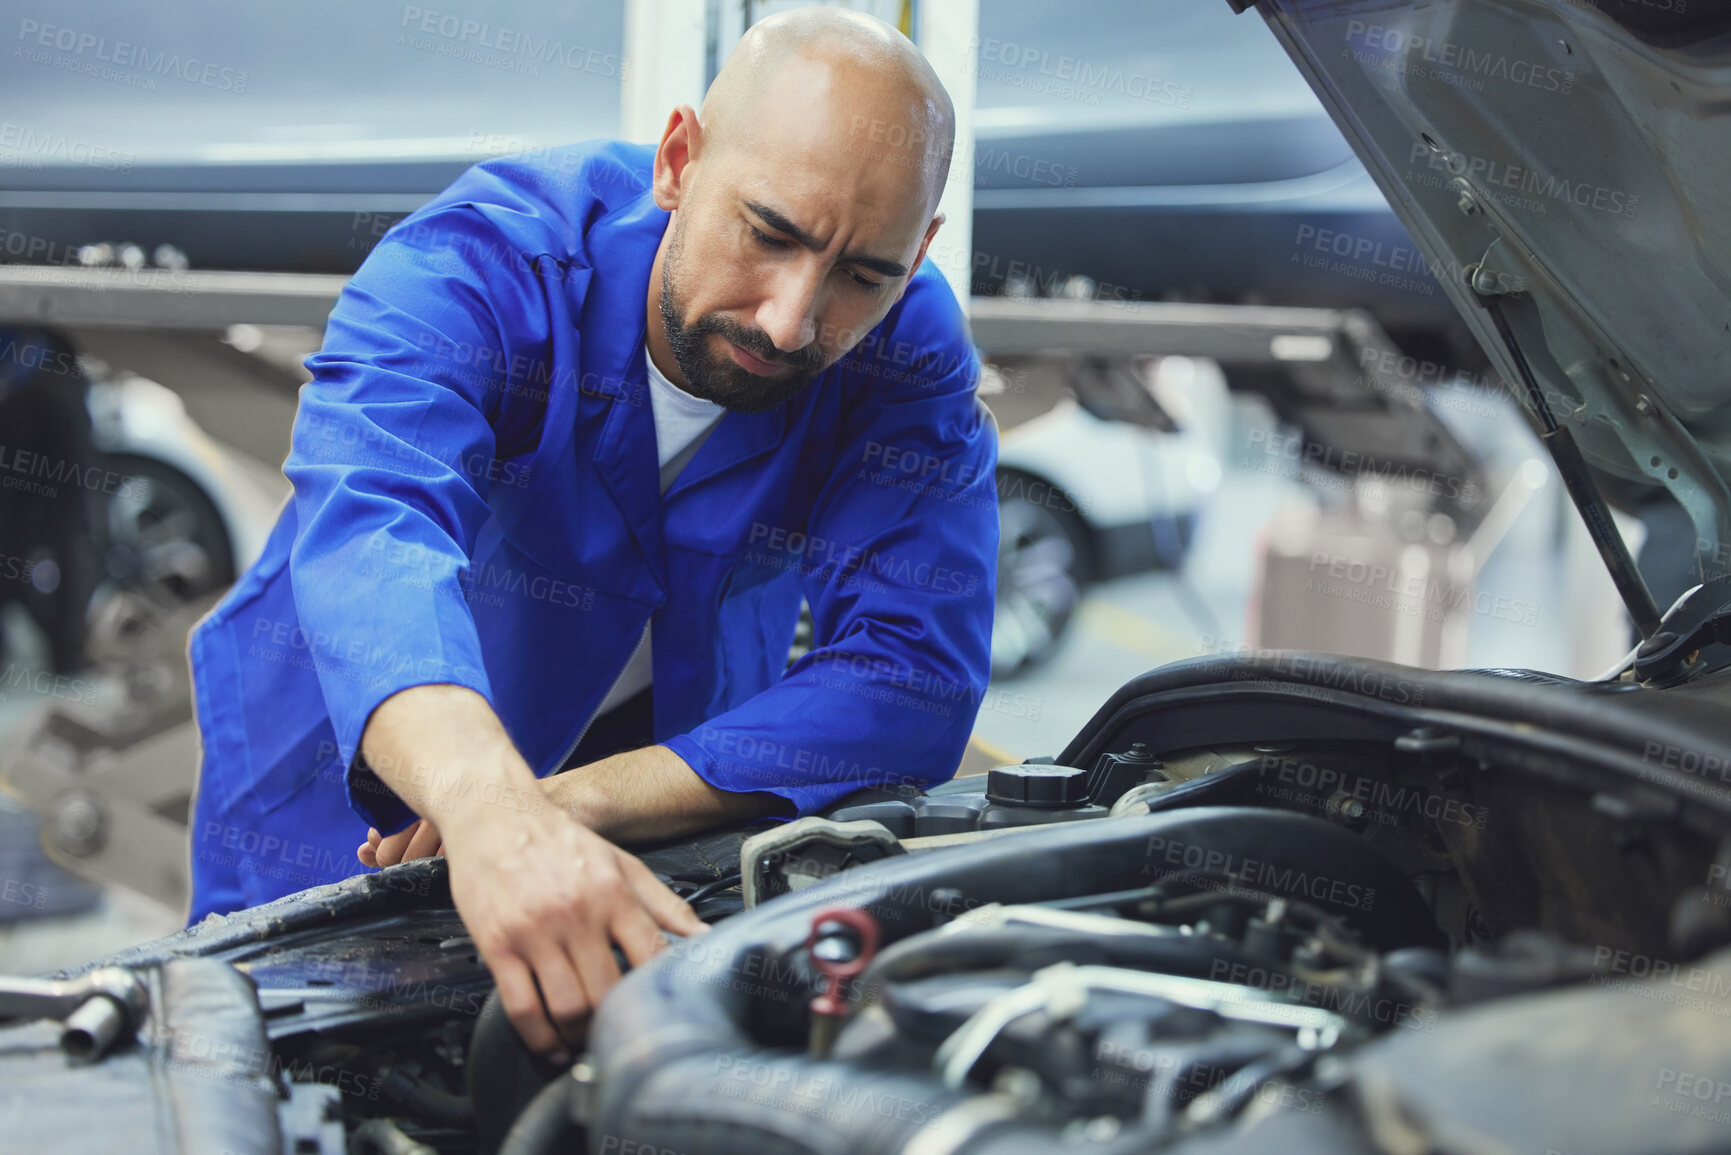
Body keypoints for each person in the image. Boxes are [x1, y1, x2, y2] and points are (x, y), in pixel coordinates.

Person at [184, 6, 997, 1061]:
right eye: (771, 233)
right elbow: (370, 533)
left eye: (863, 275)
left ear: (919, 252)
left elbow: (912, 673)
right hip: (357, 770)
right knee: (277, 1073)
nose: (793, 321)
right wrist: (487, 808)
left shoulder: (908, 348)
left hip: (658, 777)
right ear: (678, 161)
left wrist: (568, 806)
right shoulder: (483, 263)